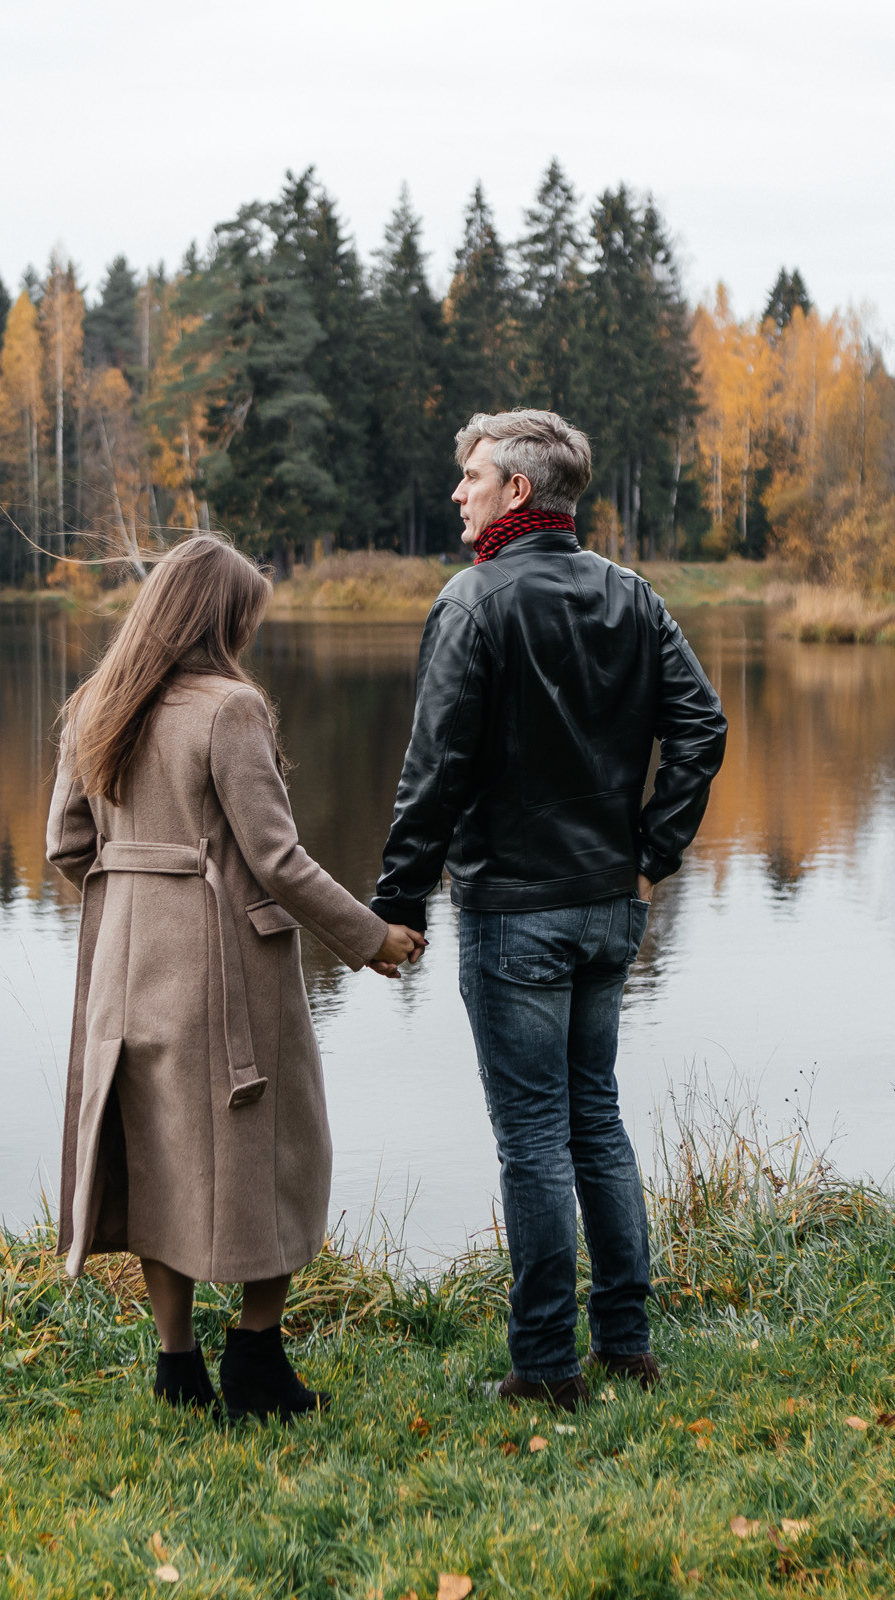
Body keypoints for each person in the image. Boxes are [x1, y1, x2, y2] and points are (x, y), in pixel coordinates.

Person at [370, 410, 727, 1410]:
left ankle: (545, 1367)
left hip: (516, 912)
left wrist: (397, 900)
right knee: (595, 1122)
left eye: (473, 476)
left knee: (533, 1138)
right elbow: (702, 726)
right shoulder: (632, 594)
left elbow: (433, 771)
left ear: (517, 490)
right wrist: (649, 856)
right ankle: (626, 1345)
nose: (459, 492)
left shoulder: (473, 601)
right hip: (609, 906)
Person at [46, 534, 425, 1419]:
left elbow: (67, 846)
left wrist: (137, 899)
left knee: (157, 1155)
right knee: (280, 1148)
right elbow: (277, 860)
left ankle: (177, 1365)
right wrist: (371, 938)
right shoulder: (231, 708)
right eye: (247, 617)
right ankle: (256, 1359)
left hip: (125, 968)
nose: (250, 634)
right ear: (217, 618)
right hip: (227, 970)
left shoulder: (97, 702)